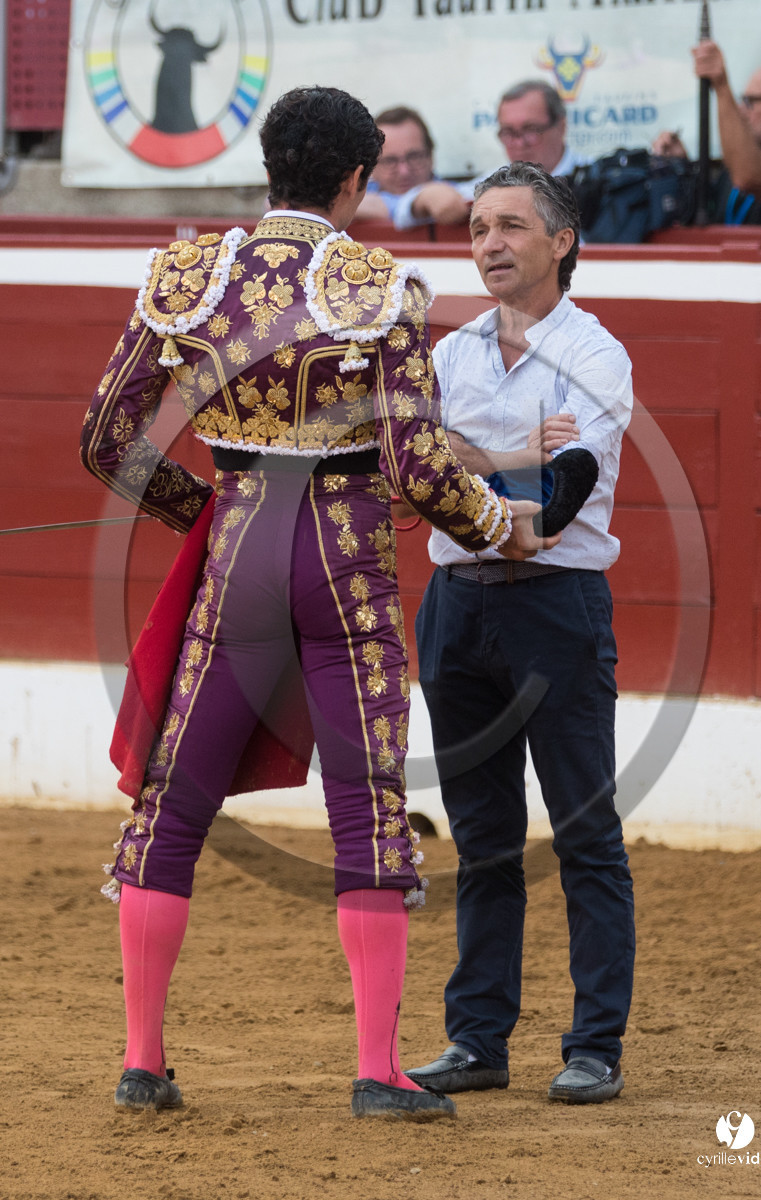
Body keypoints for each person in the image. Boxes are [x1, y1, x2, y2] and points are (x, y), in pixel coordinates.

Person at [79, 86, 553, 1124]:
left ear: (268, 168)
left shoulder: (187, 277)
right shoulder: (378, 288)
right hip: (342, 554)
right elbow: (416, 467)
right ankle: (378, 1069)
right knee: (365, 805)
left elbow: (106, 440)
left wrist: (202, 511)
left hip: (238, 546)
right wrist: (498, 526)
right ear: (352, 179)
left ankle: (142, 1061)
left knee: (173, 806)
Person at [405, 162, 636, 1105]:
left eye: (508, 226)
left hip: (554, 605)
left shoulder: (595, 352)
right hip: (456, 606)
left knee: (584, 830)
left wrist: (473, 472)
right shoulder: (452, 353)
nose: (488, 244)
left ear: (561, 240)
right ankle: (478, 1040)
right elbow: (416, 468)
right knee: (483, 835)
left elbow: (568, 483)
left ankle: (596, 1045)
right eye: (476, 228)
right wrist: (502, 472)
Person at [400, 80, 585, 230]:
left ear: (561, 126)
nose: (518, 143)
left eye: (530, 130)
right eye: (508, 133)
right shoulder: (498, 180)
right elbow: (403, 210)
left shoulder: (596, 178)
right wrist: (426, 197)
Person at [654, 43, 761, 226]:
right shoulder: (733, 170)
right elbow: (711, 213)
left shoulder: (746, 170)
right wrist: (681, 165)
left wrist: (721, 85)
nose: (741, 111)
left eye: (751, 101)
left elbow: (750, 177)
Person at [355, 105, 472, 229]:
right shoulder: (357, 191)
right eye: (390, 161)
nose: (404, 171)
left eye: (414, 157)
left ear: (430, 156)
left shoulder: (458, 196)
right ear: (372, 165)